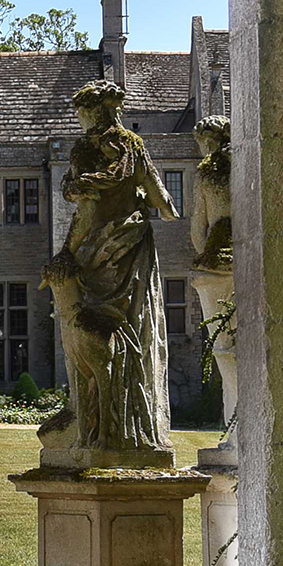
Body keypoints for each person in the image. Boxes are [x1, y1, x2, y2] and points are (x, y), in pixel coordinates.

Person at [43, 77, 176, 458]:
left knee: (87, 331)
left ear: (90, 112)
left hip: (93, 249)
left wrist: (66, 251)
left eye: (82, 113)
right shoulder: (135, 147)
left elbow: (81, 203)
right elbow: (162, 201)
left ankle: (93, 426)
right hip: (131, 246)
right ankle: (134, 426)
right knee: (131, 329)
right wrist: (155, 201)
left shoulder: (86, 149)